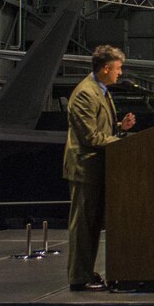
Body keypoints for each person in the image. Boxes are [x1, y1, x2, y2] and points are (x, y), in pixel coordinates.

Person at [63, 45, 137, 291]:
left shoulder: (100, 90)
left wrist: (119, 127)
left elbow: (98, 129)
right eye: (117, 68)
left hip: (98, 168)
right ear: (105, 68)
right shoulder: (85, 93)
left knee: (92, 225)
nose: (120, 73)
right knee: (83, 226)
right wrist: (122, 142)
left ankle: (85, 272)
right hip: (86, 169)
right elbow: (90, 137)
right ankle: (78, 277)